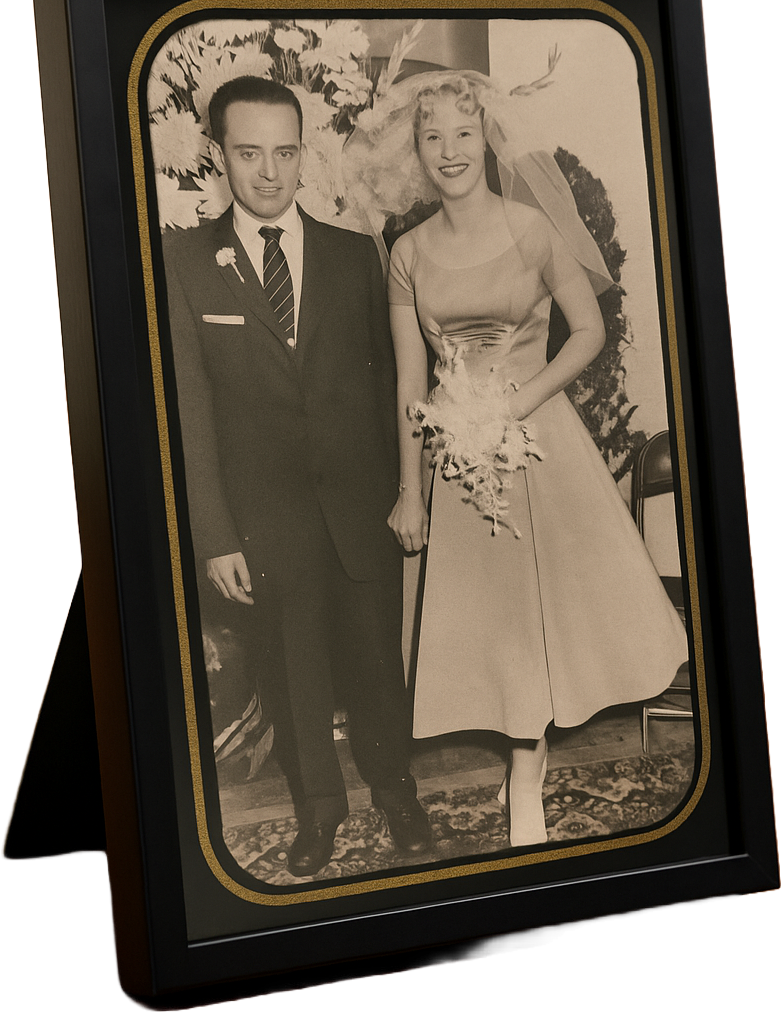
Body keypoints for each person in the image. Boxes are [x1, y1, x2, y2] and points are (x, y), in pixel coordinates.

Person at [355, 71, 688, 849]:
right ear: (417, 150)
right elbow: (410, 378)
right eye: (431, 136)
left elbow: (587, 334)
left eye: (462, 134)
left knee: (542, 615)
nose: (449, 151)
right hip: (455, 460)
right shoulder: (405, 251)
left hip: (539, 441)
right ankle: (518, 752)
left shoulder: (531, 230)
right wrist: (411, 492)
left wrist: (517, 400)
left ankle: (525, 775)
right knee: (492, 621)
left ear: (486, 139)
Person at [162, 76, 431, 877]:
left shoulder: (356, 256)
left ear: (303, 151)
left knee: (378, 664)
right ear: (217, 155)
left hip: (361, 511)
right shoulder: (181, 263)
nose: (269, 173)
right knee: (293, 675)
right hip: (262, 522)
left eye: (285, 152)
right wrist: (214, 536)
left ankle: (400, 796)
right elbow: (188, 410)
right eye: (249, 154)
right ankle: (319, 814)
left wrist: (406, 493)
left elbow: (395, 388)